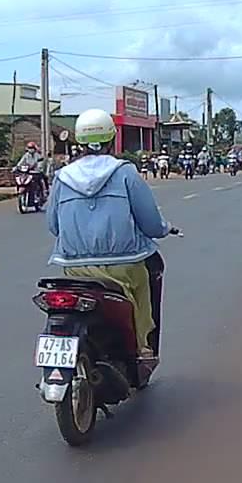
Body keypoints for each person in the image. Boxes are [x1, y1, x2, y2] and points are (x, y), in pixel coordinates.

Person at [46, 109, 176, 358]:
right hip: (124, 266)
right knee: (151, 270)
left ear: (79, 141)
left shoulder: (63, 177)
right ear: (111, 139)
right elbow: (151, 225)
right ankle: (142, 345)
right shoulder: (125, 172)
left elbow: (53, 226)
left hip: (75, 269)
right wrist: (164, 228)